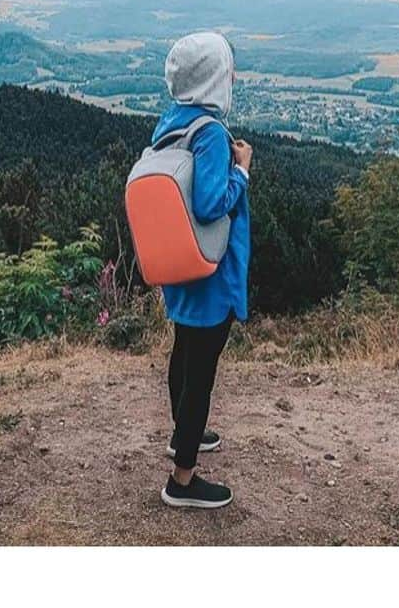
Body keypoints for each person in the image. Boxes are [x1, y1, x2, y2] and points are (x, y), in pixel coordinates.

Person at [154, 31, 252, 509]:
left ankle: (182, 436)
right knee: (202, 374)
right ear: (214, 78)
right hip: (209, 271)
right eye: (226, 69)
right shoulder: (210, 132)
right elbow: (213, 204)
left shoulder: (172, 121)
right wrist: (242, 170)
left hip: (180, 267)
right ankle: (183, 479)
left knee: (184, 354)